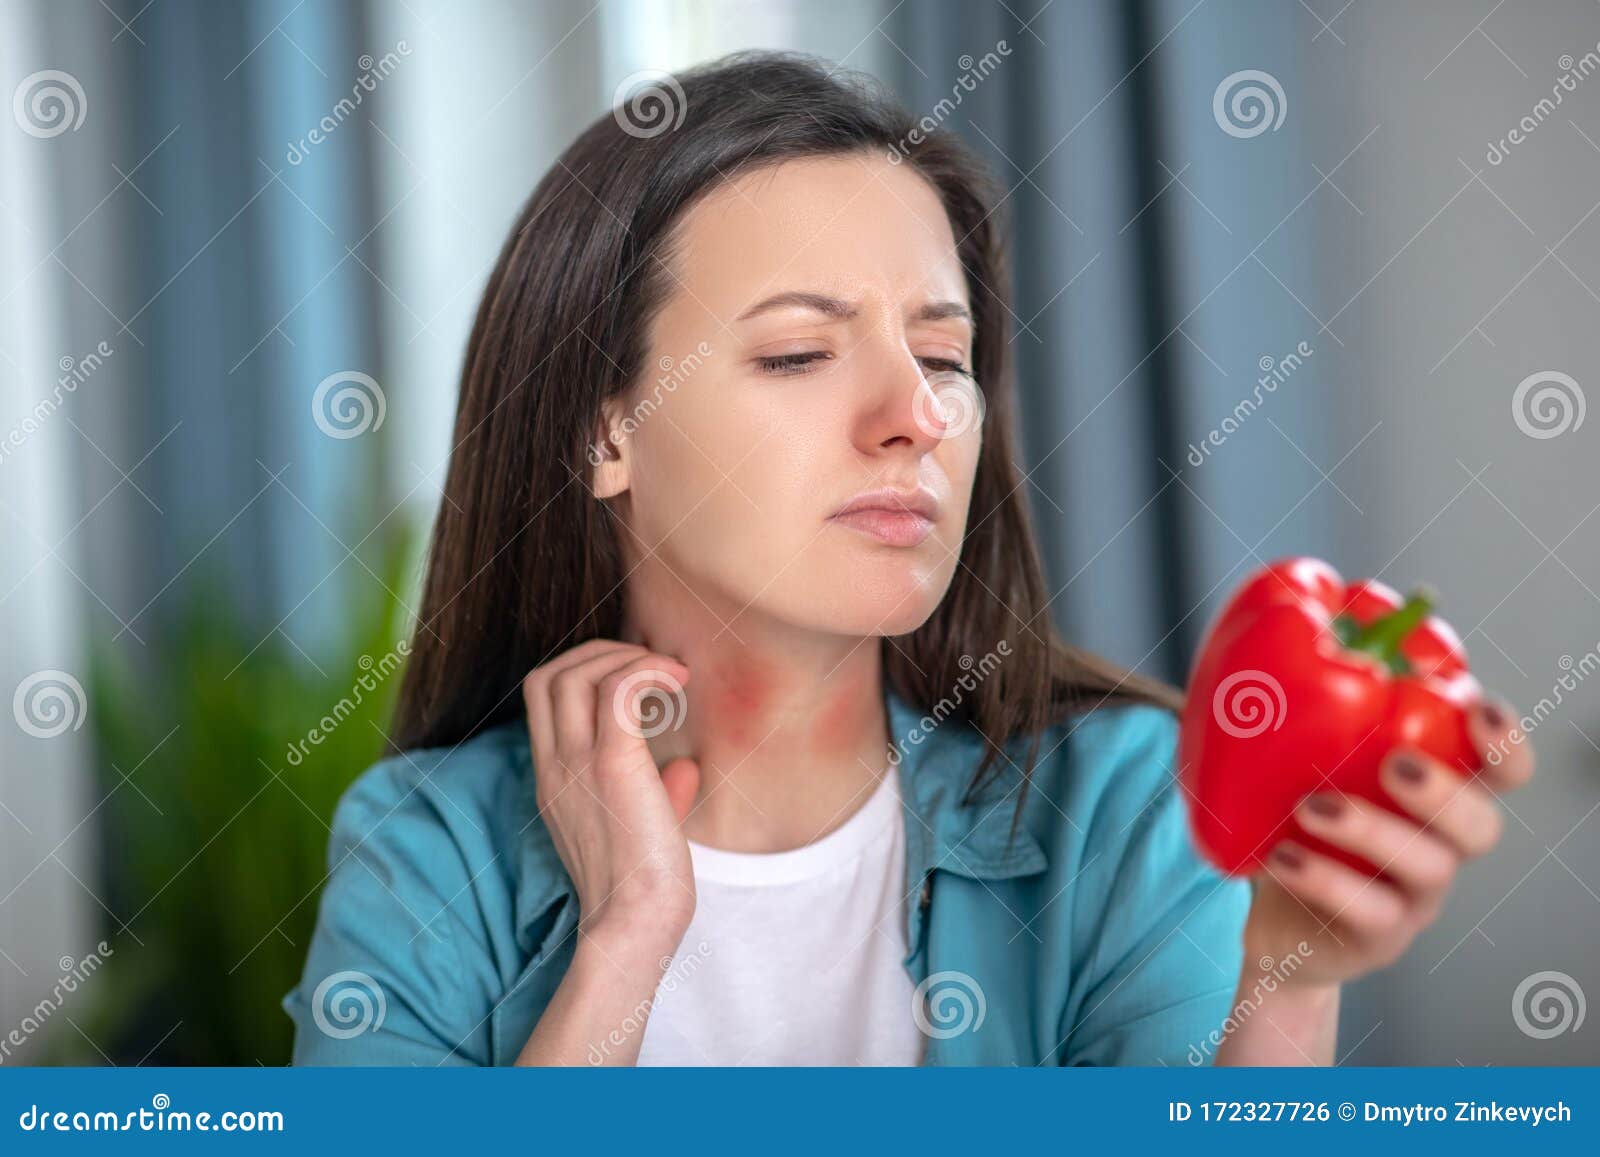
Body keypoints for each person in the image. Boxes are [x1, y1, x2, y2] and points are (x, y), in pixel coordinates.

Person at [282, 50, 1534, 1067]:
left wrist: (1283, 987)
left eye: (943, 357)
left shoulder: (1131, 805)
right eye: (795, 353)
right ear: (605, 431)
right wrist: (626, 935)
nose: (918, 415)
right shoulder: (427, 850)